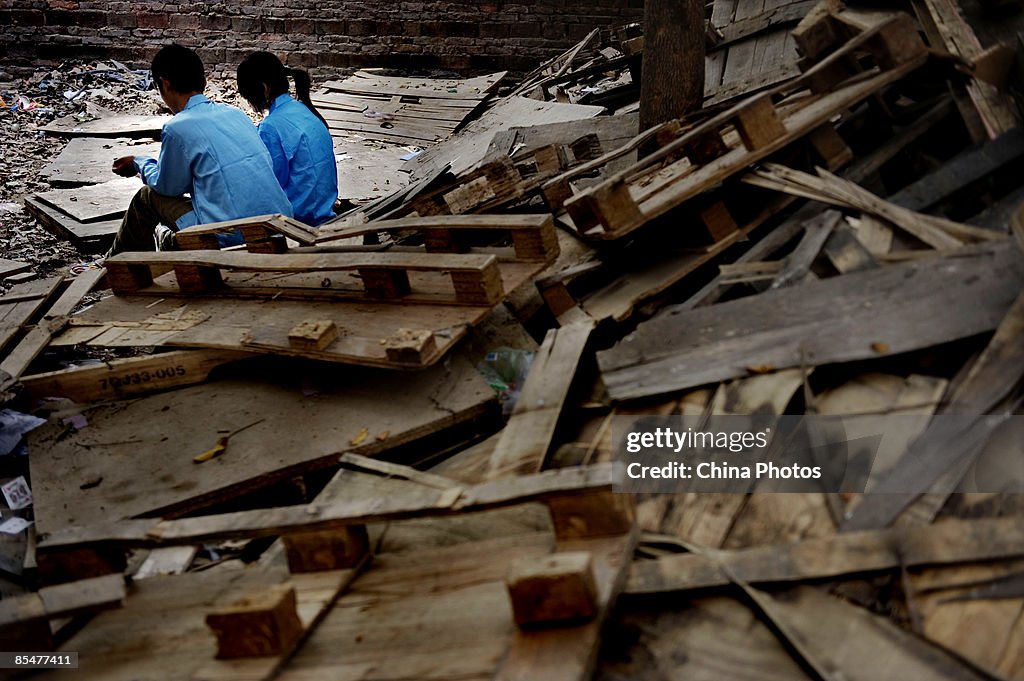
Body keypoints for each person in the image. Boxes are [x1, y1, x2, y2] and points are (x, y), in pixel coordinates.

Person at [106, 43, 293, 257]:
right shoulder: (235, 114)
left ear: (164, 84)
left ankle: (116, 263)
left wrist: (140, 163)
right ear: (202, 81)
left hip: (232, 237)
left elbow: (168, 187)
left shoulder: (177, 127)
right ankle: (165, 244)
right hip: (278, 226)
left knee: (146, 197)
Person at [236, 51, 338, 227]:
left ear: (264, 89)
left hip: (300, 221)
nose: (252, 106)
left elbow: (271, 186)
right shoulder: (304, 111)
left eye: (249, 98)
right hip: (323, 209)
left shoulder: (271, 127)